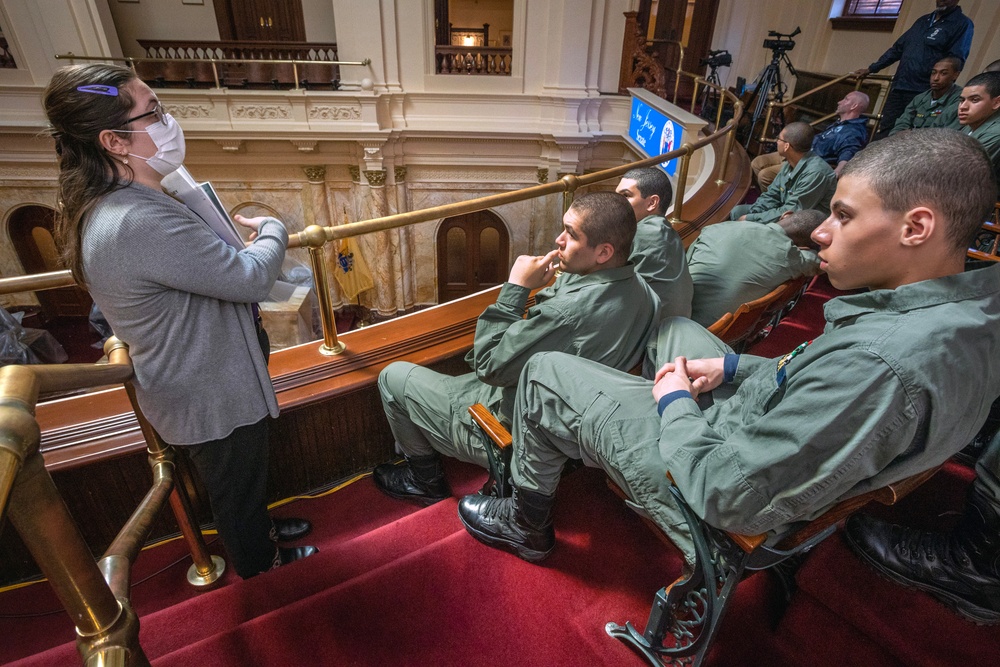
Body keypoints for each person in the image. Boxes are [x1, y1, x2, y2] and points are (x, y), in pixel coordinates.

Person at [456, 129, 1000, 566]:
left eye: (845, 215)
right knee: (673, 334)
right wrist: (734, 365)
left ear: (917, 227)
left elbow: (725, 493)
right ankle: (616, 414)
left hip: (718, 494)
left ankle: (526, 521)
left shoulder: (880, 366)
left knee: (545, 370)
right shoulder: (964, 315)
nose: (820, 232)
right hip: (762, 428)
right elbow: (811, 377)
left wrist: (674, 405)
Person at [42, 63, 317, 578]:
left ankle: (262, 533)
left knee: (243, 480)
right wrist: (275, 230)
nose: (170, 121)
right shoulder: (137, 219)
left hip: (201, 378)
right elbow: (251, 279)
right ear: (114, 141)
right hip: (207, 390)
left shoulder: (123, 203)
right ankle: (263, 566)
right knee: (236, 490)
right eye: (155, 113)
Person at [373, 192, 659, 505]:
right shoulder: (642, 290)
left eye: (572, 235)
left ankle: (424, 480)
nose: (558, 239)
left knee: (392, 376)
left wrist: (516, 288)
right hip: (569, 425)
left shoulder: (568, 314)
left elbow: (488, 365)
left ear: (603, 252)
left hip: (506, 427)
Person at [854, 0, 974, 140]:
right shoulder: (923, 21)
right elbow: (897, 49)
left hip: (923, 90)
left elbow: (955, 60)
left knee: (912, 135)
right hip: (900, 86)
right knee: (886, 130)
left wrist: (939, 86)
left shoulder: (962, 24)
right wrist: (872, 68)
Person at [687, 209, 824, 327]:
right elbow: (823, 262)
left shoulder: (717, 227)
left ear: (785, 215)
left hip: (677, 315)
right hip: (715, 331)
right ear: (804, 248)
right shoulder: (792, 257)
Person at [615, 167, 693, 318]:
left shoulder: (637, 235)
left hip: (651, 333)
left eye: (625, 195)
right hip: (675, 327)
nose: (616, 202)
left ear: (652, 203)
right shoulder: (668, 232)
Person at [752, 93, 869, 189]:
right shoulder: (841, 123)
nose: (840, 102)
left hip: (808, 164)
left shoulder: (854, 131)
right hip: (800, 152)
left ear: (854, 106)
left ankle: (776, 206)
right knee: (757, 163)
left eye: (846, 99)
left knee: (765, 176)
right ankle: (774, 196)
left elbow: (848, 154)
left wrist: (837, 172)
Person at [731, 122, 838, 222]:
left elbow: (791, 213)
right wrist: (754, 212)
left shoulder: (816, 174)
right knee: (737, 212)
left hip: (804, 222)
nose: (777, 141)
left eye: (779, 139)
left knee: (745, 221)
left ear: (786, 146)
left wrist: (751, 219)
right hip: (785, 210)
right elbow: (772, 195)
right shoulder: (791, 162)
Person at [889, 56, 963, 134]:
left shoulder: (960, 100)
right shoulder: (920, 98)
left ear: (956, 75)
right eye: (933, 73)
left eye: (943, 73)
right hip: (910, 142)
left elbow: (945, 134)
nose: (936, 78)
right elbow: (902, 124)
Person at [958, 71, 1000, 193]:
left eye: (974, 100)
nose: (963, 107)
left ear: (996, 102)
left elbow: (958, 170)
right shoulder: (973, 122)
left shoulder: (996, 132)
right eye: (962, 100)